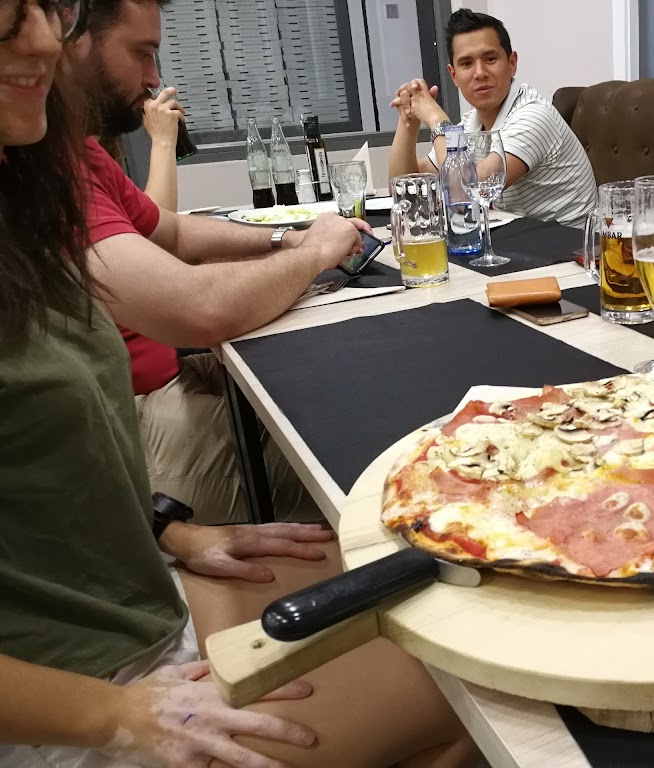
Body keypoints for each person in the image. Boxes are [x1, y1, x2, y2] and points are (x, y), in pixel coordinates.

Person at [0, 3, 478, 767]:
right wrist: (115, 716)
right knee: (474, 685)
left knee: (446, 586)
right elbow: (195, 306)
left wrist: (170, 532)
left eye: (45, 10)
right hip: (76, 700)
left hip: (141, 606)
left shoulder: (27, 190)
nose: (41, 39)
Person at [68, 0, 366, 524]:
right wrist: (315, 253)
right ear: (71, 39)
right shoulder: (39, 172)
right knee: (358, 467)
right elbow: (199, 309)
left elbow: (175, 230)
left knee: (337, 387)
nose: (154, 78)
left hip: (167, 376)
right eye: (141, 53)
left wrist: (288, 239)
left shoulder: (78, 151)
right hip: (127, 420)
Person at [387, 9, 598, 229]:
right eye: (466, 63)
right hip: (520, 237)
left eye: (490, 59)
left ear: (512, 63)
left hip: (571, 245)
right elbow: (403, 190)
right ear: (454, 75)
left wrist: (435, 118)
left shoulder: (534, 116)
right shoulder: (471, 122)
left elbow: (464, 197)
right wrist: (408, 118)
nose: (480, 73)